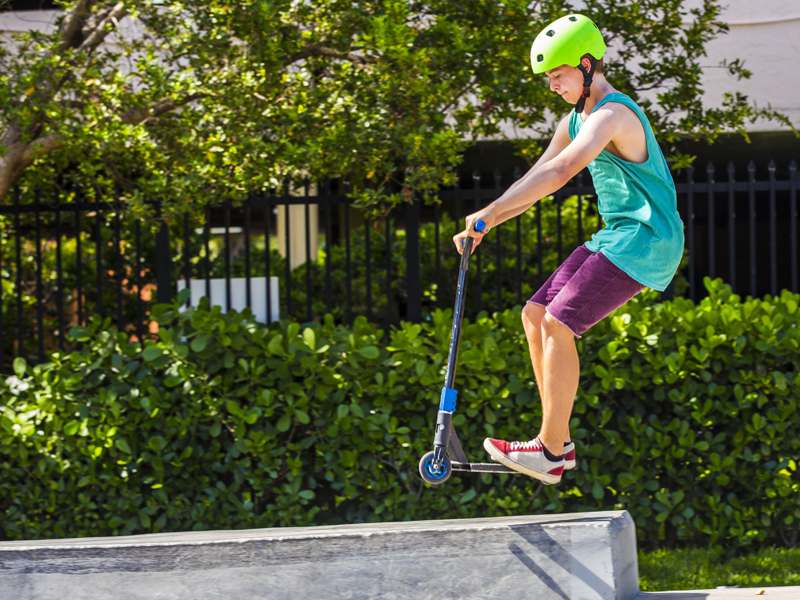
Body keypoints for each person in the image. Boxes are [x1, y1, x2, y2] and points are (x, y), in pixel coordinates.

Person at [452, 13, 685, 485]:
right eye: (549, 79)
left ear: (586, 64)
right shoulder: (576, 118)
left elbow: (563, 174)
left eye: (557, 76)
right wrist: (488, 218)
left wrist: (490, 216)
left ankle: (549, 448)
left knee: (560, 321)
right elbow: (539, 174)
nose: (552, 85)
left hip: (647, 238)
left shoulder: (612, 115)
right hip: (618, 235)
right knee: (535, 314)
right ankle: (556, 445)